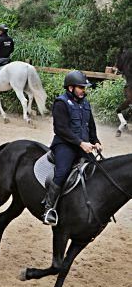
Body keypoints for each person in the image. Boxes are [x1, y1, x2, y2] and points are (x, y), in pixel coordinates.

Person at [43, 70, 103, 226]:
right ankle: (49, 209)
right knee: (62, 171)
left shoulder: (85, 103)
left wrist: (95, 141)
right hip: (65, 144)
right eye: (81, 87)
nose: (84, 90)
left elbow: (90, 126)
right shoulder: (61, 103)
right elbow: (61, 129)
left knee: (97, 170)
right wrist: (81, 143)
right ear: (70, 88)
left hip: (83, 145)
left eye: (84, 87)